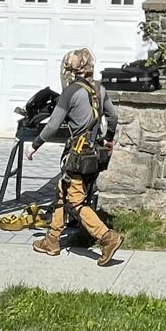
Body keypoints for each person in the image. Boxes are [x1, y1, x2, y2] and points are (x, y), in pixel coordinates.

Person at [26, 48, 123, 265]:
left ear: (71, 69)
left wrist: (35, 145)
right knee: (62, 192)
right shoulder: (100, 89)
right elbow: (113, 116)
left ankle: (107, 238)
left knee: (76, 201)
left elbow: (52, 125)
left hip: (77, 155)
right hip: (94, 155)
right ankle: (52, 241)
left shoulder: (71, 92)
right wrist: (108, 137)